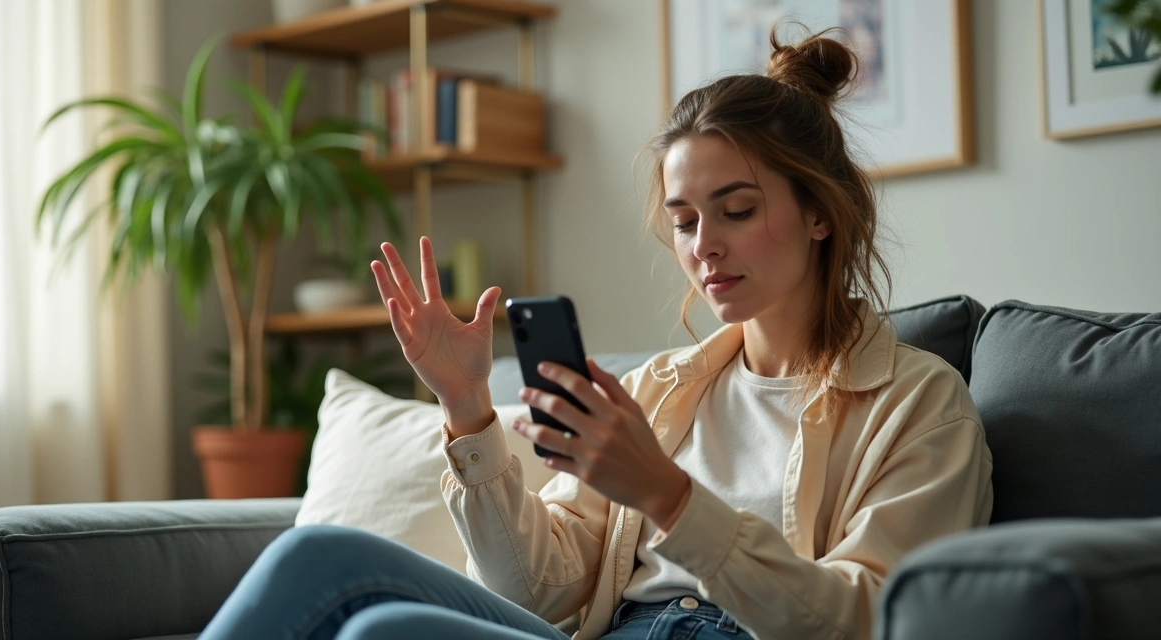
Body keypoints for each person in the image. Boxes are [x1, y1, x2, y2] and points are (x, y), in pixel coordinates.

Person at [199, 29, 992, 640]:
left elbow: (866, 620)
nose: (704, 246)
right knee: (318, 561)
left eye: (737, 210)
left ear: (819, 213)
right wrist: (468, 409)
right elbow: (537, 592)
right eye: (684, 221)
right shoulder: (657, 392)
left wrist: (668, 496)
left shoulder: (918, 403)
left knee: (385, 633)